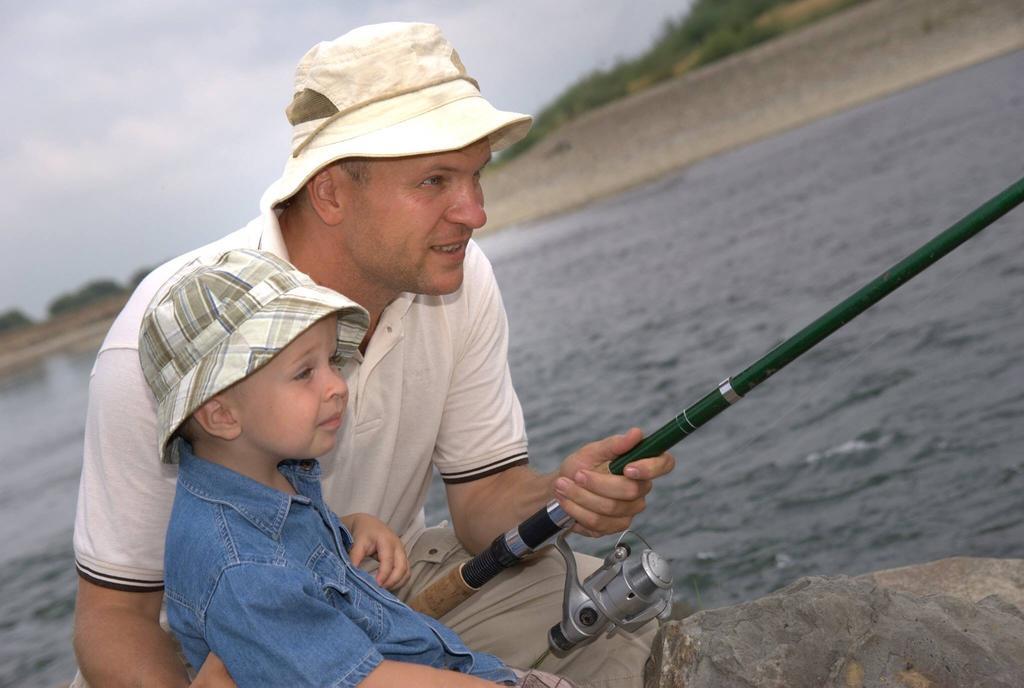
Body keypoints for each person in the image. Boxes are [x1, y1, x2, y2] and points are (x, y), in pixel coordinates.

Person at [72, 22, 675, 688]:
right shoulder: (165, 339)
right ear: (331, 191)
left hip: (373, 583)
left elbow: (483, 505)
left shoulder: (460, 277)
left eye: (476, 176)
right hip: (205, 660)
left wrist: (564, 495)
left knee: (617, 615)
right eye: (435, 181)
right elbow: (111, 621)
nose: (473, 212)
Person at [138, 248, 574, 687]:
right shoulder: (242, 571)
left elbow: (289, 555)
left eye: (332, 361)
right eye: (304, 373)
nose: (336, 386)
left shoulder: (266, 476)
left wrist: (350, 525)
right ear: (222, 416)